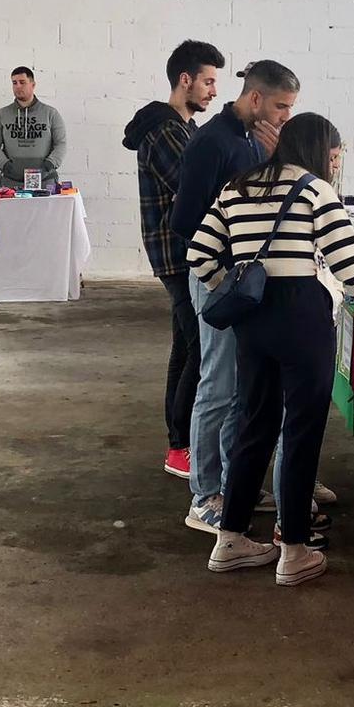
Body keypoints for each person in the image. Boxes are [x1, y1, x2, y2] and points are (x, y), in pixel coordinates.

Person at [187, 113, 354, 587]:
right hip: (303, 314)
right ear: (319, 150)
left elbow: (199, 253)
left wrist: (233, 286)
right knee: (301, 430)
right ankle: (294, 549)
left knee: (252, 424)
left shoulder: (237, 187)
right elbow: (352, 270)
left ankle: (230, 539)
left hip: (253, 316)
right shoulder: (314, 191)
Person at [168, 59, 300, 534]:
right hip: (216, 278)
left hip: (240, 279)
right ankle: (204, 495)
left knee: (240, 389)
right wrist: (221, 270)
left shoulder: (248, 140)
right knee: (217, 385)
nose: (286, 116)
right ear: (257, 99)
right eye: (282, 106)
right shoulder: (213, 142)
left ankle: (231, 482)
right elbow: (185, 221)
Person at [123, 39, 223, 481]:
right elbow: (194, 188)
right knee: (200, 350)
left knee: (185, 347)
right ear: (185, 79)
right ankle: (181, 445)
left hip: (180, 254)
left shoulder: (179, 128)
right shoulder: (166, 131)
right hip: (178, 256)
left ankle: (178, 442)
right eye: (208, 81)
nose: (212, 91)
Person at [0, 66, 66, 186]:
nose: (18, 86)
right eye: (14, 83)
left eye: (22, 82)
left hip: (45, 179)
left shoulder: (51, 113)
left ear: (33, 85)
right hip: (11, 180)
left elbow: (61, 143)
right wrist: (5, 165)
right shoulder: (2, 114)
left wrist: (49, 164)